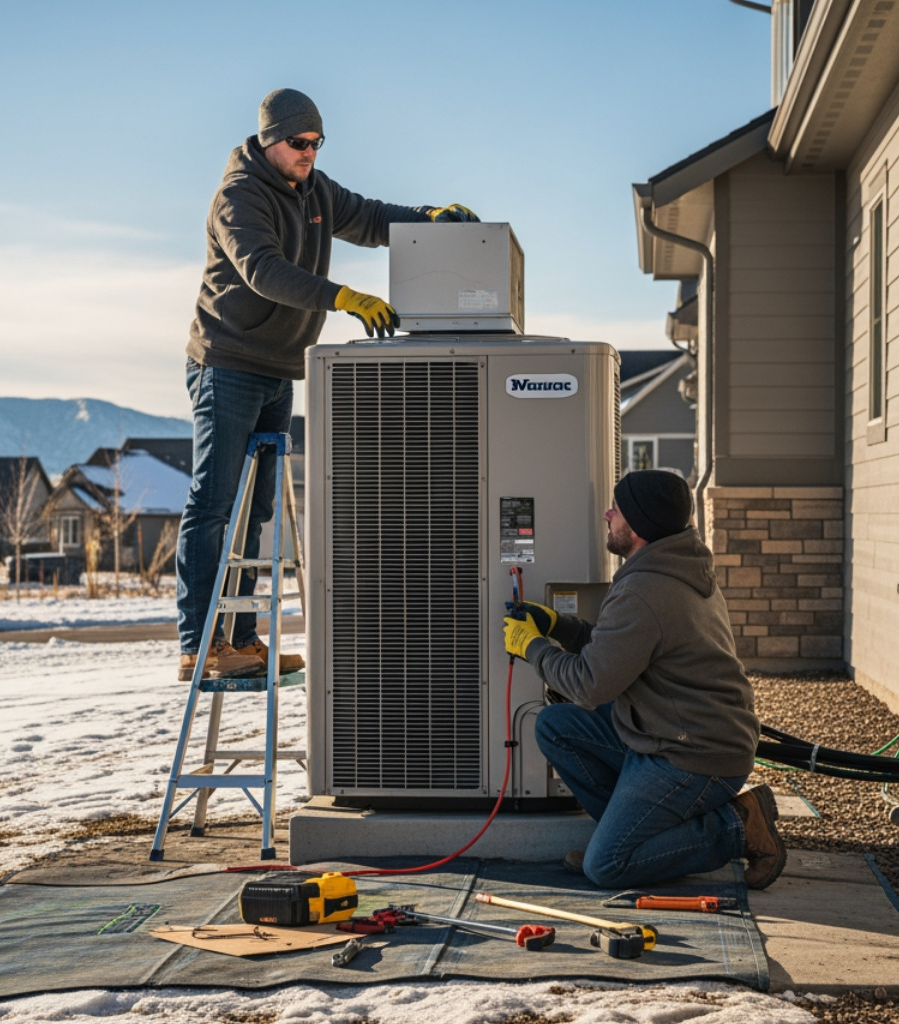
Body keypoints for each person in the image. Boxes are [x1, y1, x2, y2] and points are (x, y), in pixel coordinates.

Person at [178, 88, 477, 681]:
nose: (309, 153)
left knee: (256, 511)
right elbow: (262, 270)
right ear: (270, 141)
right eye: (299, 143)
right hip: (227, 364)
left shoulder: (315, 190)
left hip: (278, 368)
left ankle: (238, 639)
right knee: (215, 503)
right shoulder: (238, 196)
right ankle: (199, 644)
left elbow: (368, 217)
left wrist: (429, 221)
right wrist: (339, 296)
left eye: (317, 143)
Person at [502, 470, 786, 890]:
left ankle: (738, 825)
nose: (606, 514)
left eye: (615, 509)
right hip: (664, 731)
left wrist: (533, 647)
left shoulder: (646, 588)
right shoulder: (672, 566)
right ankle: (629, 841)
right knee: (555, 726)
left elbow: (589, 684)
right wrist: (558, 626)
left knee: (607, 868)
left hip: (694, 756)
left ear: (636, 526)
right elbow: (620, 648)